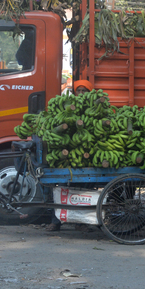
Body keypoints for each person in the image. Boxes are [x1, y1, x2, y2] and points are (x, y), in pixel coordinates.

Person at [45, 80, 94, 232]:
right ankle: (56, 221)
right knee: (62, 190)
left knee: (85, 191)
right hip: (68, 155)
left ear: (90, 93)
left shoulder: (94, 109)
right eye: (78, 90)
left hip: (86, 155)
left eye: (84, 91)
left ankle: (81, 222)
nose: (80, 94)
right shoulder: (67, 108)